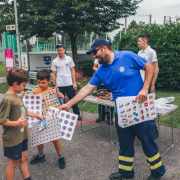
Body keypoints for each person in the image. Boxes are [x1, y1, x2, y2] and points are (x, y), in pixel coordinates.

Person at [59, 39, 165, 180]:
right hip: (121, 113)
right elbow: (86, 89)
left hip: (141, 111)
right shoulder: (100, 71)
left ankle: (158, 172)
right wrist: (69, 104)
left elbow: (149, 67)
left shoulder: (127, 56)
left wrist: (145, 89)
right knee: (125, 144)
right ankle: (126, 172)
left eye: (95, 52)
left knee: (147, 142)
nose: (94, 56)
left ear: (104, 48)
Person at [0, 67, 44, 180]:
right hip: (13, 138)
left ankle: (27, 178)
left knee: (23, 157)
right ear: (15, 84)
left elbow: (24, 111)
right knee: (13, 164)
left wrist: (37, 115)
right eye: (23, 85)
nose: (25, 88)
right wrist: (17, 123)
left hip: (22, 135)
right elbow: (2, 120)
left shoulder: (18, 96)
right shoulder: (8, 99)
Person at [29, 69, 66, 169]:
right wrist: (25, 94)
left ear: (49, 81)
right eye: (39, 82)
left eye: (43, 82)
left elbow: (61, 104)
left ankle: (60, 156)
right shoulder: (36, 90)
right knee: (39, 138)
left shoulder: (53, 92)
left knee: (55, 139)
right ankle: (41, 155)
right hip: (39, 118)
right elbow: (29, 96)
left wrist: (62, 97)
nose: (40, 84)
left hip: (50, 118)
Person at [51, 44, 82, 120]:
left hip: (69, 83)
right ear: (57, 51)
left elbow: (72, 70)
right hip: (60, 84)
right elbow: (53, 74)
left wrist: (74, 83)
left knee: (73, 98)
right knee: (62, 100)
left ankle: (77, 114)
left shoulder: (69, 59)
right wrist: (54, 85)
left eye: (61, 50)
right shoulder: (55, 61)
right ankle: (65, 115)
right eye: (58, 50)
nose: (60, 52)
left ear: (64, 50)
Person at [93, 58, 114, 125]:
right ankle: (101, 116)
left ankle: (110, 118)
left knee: (110, 100)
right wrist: (97, 70)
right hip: (100, 83)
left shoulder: (111, 58)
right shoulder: (98, 58)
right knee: (100, 101)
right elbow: (94, 67)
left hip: (109, 83)